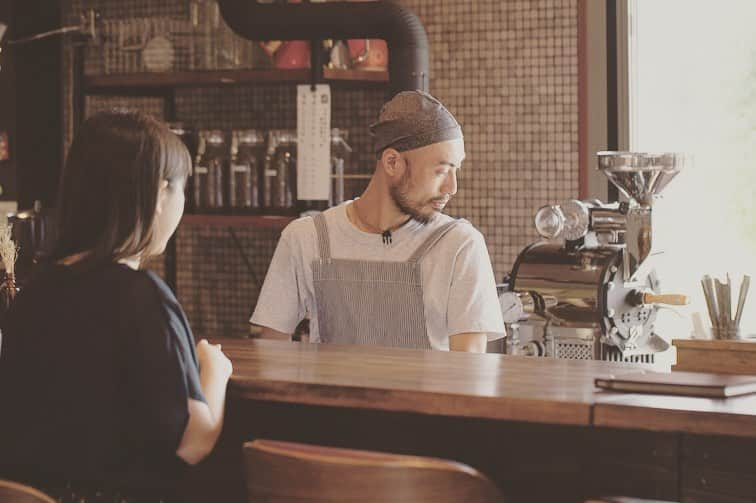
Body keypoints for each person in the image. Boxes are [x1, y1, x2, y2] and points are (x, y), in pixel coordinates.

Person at [0, 110, 232, 502]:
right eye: (181, 189)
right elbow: (193, 441)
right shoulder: (140, 296)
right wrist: (215, 369)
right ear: (159, 195)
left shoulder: (34, 291)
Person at [251, 90, 505, 352]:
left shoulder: (459, 244)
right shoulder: (307, 237)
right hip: (331, 393)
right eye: (441, 171)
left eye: (456, 169)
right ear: (392, 162)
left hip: (426, 395)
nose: (452, 187)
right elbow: (271, 352)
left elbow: (470, 370)